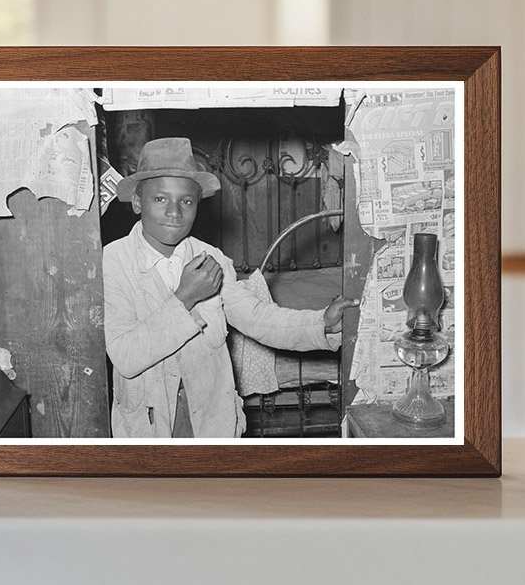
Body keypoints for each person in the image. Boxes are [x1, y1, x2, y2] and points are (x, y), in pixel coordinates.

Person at [102, 137, 356, 439]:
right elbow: (126, 357)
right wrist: (185, 297)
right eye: (160, 199)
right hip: (147, 426)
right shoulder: (112, 261)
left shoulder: (212, 260)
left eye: (186, 202)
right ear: (136, 202)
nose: (175, 212)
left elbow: (258, 318)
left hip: (210, 422)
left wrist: (321, 322)